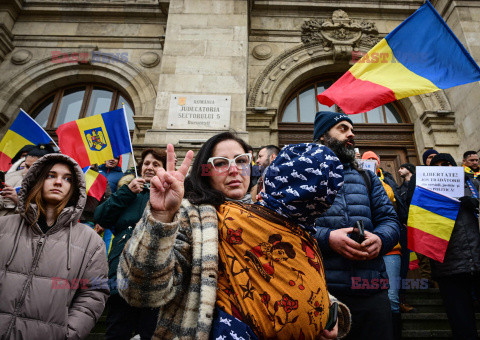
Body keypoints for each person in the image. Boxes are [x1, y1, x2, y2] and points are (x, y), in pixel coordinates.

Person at [117, 132, 351, 339]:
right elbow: (141, 290)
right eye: (220, 163)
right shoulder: (189, 217)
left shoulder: (278, 215)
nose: (234, 169)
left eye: (242, 161)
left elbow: (294, 276)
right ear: (205, 172)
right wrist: (161, 217)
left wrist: (327, 310)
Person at [0, 153, 108, 339]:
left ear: (75, 189)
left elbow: (93, 292)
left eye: (67, 179)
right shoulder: (4, 226)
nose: (58, 182)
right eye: (51, 175)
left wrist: (68, 334)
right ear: (37, 180)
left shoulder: (91, 242)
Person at [312, 111, 400, 340]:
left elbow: (390, 220)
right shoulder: (304, 176)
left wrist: (380, 239)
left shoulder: (367, 177)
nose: (351, 134)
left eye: (352, 130)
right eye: (342, 128)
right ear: (323, 136)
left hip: (372, 290)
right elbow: (290, 227)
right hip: (322, 292)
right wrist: (327, 238)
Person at [94, 148, 167, 340]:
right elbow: (101, 216)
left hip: (153, 276)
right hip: (121, 271)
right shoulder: (128, 191)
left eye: (156, 165)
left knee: (149, 332)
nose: (149, 167)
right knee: (117, 329)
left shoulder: (170, 196)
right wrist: (125, 192)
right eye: (146, 164)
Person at [428, 153, 480, 340]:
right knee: (462, 325)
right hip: (449, 266)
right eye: (439, 165)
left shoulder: (475, 184)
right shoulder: (426, 193)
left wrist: (476, 203)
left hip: (477, 258)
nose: (444, 168)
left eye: (448, 164)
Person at [405, 149, 439, 288]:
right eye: (430, 157)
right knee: (424, 253)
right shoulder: (419, 174)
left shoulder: (450, 175)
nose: (433, 159)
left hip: (443, 220)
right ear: (425, 160)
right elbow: (411, 197)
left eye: (435, 157)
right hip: (424, 218)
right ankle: (427, 279)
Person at [0, 144, 54, 216]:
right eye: (27, 166)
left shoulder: (52, 187)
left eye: (34, 167)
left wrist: (17, 200)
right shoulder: (10, 177)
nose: (28, 171)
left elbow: (43, 216)